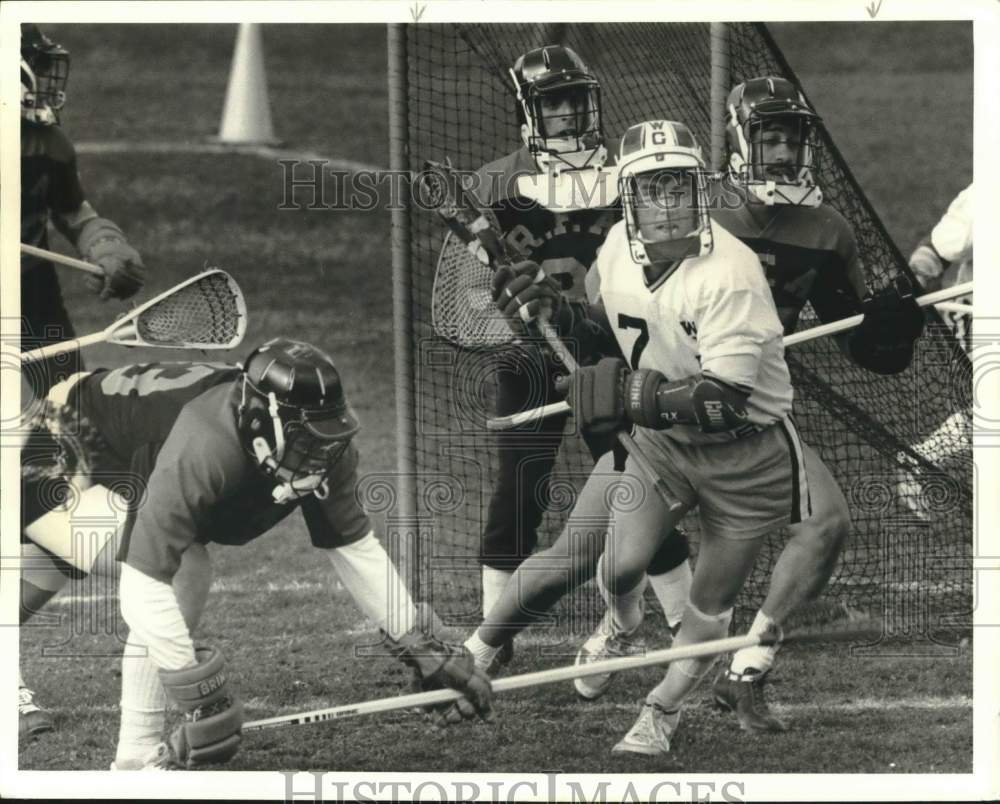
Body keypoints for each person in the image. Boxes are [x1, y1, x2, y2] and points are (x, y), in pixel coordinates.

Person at [577, 76, 926, 731]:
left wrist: (893, 326)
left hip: (744, 415)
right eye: (769, 136)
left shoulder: (827, 233)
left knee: (826, 524)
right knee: (612, 562)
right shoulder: (697, 213)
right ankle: (618, 620)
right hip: (663, 412)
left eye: (792, 138)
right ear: (740, 141)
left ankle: (747, 670)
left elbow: (866, 352)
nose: (783, 151)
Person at [469, 119, 811, 754]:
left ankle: (662, 712)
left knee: (708, 609)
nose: (667, 201)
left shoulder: (729, 274)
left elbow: (724, 401)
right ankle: (478, 652)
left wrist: (627, 394)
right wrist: (555, 309)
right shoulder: (618, 249)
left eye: (678, 185)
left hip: (744, 452)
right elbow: (606, 326)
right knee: (595, 559)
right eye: (651, 188)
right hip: (662, 440)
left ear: (697, 190)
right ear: (627, 197)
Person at [18, 338, 492, 768]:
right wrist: (198, 696)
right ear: (261, 419)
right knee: (182, 566)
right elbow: (146, 579)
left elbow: (354, 548)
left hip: (106, 440)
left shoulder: (324, 445)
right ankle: (136, 758)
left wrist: (416, 642)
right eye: (307, 438)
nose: (320, 454)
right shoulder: (205, 443)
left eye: (328, 434)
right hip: (54, 451)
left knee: (27, 591)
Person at [469, 45, 690, 666]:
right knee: (519, 488)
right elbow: (470, 290)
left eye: (573, 98)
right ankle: (495, 633)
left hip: (614, 356)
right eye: (551, 101)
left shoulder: (625, 175)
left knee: (642, 480)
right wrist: (512, 315)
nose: (565, 112)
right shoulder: (494, 183)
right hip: (531, 355)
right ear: (528, 109)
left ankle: (681, 616)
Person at [19, 23, 147, 738]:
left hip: (42, 314)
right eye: (37, 65)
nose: (47, 78)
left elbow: (73, 209)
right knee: (29, 497)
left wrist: (105, 244)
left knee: (91, 484)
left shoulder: (47, 140)